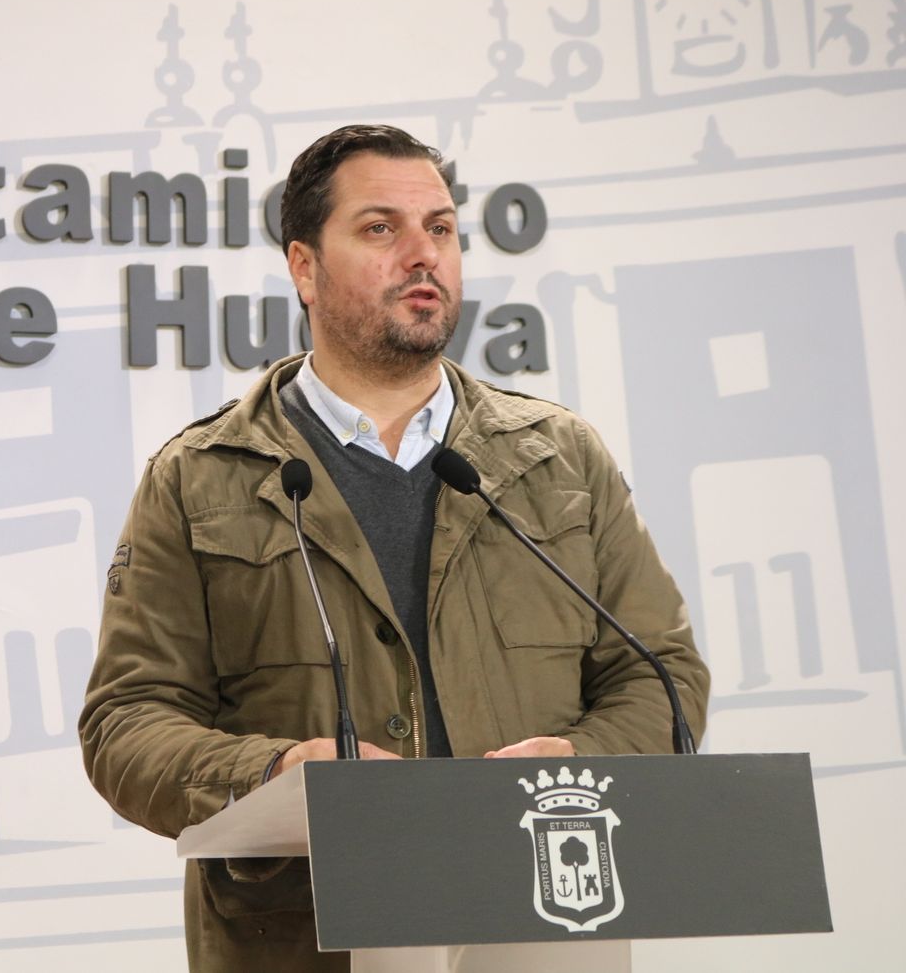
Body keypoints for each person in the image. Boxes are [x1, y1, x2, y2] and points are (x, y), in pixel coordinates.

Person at [77, 124, 709, 971]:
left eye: (441, 229)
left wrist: (580, 759)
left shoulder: (560, 458)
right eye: (382, 229)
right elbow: (126, 722)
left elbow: (659, 677)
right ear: (304, 266)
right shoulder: (198, 478)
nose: (424, 255)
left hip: (538, 919)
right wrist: (274, 769)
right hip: (301, 936)